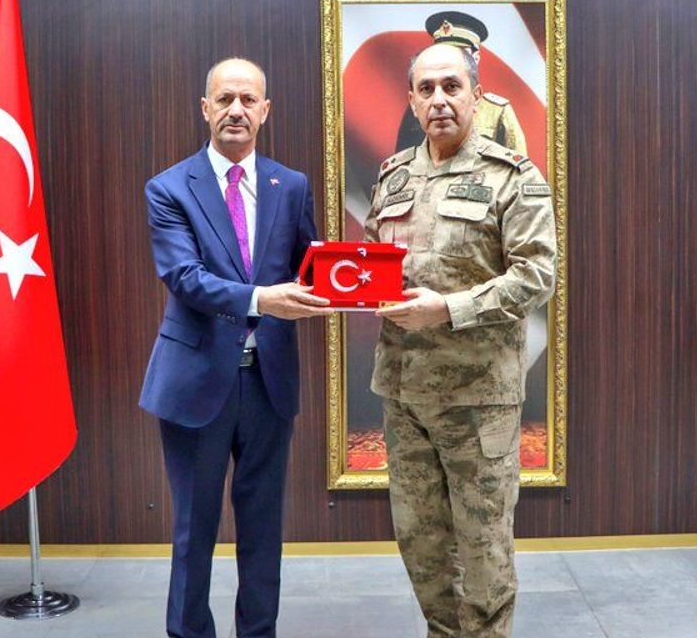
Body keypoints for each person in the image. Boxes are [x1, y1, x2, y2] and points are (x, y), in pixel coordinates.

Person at [364, 43, 557, 637]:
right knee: (421, 546)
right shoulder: (394, 176)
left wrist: (448, 309)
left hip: (478, 399)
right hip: (405, 395)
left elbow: (537, 276)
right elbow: (372, 264)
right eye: (427, 89)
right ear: (411, 101)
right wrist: (341, 283)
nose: (440, 100)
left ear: (476, 94)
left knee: (483, 552)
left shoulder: (511, 176)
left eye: (452, 86)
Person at [139, 58, 332, 638]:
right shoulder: (169, 188)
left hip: (269, 385)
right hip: (197, 383)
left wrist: (353, 277)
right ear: (205, 108)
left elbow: (309, 266)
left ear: (265, 111)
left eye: (248, 100)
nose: (236, 110)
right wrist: (262, 300)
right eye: (225, 99)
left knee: (263, 528)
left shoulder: (290, 185)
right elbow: (185, 278)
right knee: (194, 531)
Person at [395, 10, 528, 156]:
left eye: (461, 53)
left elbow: (517, 165)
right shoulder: (421, 107)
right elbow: (405, 161)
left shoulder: (497, 111)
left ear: (475, 58)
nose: (451, 58)